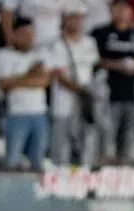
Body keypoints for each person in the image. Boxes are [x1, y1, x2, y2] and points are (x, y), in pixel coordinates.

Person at [94, 0, 134, 163]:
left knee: (128, 139)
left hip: (132, 93)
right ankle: (103, 171)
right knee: (106, 139)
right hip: (108, 94)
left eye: (124, 9)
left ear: (131, 12)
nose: (120, 13)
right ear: (111, 11)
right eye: (117, 8)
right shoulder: (101, 33)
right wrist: (119, 65)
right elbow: (94, 61)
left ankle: (123, 172)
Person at [0, 16, 50, 170]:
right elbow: (2, 84)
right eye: (25, 33)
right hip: (16, 114)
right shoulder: (3, 55)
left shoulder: (40, 54)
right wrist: (29, 74)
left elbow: (43, 82)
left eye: (32, 34)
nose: (29, 38)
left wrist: (17, 81)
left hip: (40, 113)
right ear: (14, 34)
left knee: (38, 160)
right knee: (12, 159)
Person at [47, 3, 100, 167]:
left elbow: (94, 68)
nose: (77, 22)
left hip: (85, 105)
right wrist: (81, 91)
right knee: (61, 149)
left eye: (80, 18)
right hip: (63, 103)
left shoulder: (90, 43)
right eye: (73, 18)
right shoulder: (55, 45)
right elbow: (58, 75)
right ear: (64, 19)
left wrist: (89, 93)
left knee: (85, 148)